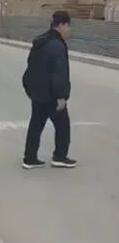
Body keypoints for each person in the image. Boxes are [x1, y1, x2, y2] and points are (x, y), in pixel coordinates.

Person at [22, 10, 76, 169]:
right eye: (68, 26)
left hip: (38, 93)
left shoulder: (40, 41)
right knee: (63, 126)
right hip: (51, 95)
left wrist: (30, 89)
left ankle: (29, 158)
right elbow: (60, 73)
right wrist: (61, 97)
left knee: (36, 126)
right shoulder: (57, 46)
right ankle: (60, 156)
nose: (69, 30)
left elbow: (31, 67)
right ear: (61, 25)